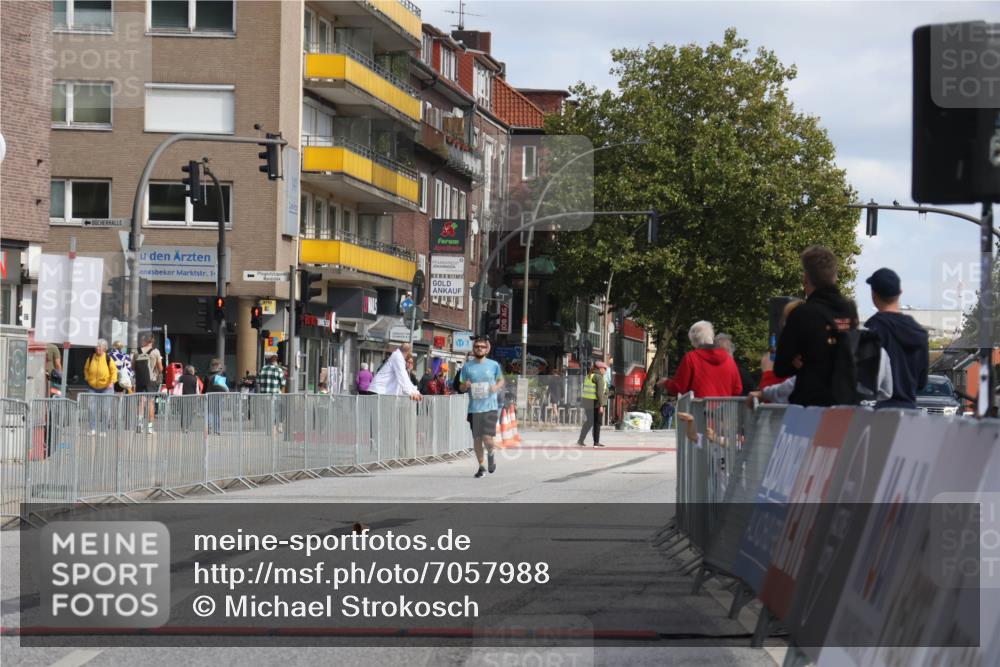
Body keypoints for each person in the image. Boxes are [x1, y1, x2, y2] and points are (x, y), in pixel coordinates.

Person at [773, 246, 860, 407]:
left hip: (811, 405)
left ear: (806, 278)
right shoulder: (849, 309)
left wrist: (795, 361)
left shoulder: (802, 314)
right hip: (845, 404)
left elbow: (781, 367)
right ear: (835, 276)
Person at [864, 268, 929, 409]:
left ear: (873, 295)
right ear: (900, 293)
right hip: (910, 412)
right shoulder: (919, 332)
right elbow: (921, 382)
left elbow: (866, 378)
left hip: (881, 413)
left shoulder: (873, 328)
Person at [659, 321, 743, 398]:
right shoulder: (729, 359)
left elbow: (679, 388)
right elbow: (737, 389)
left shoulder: (691, 358)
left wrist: (666, 383)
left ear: (693, 341)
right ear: (712, 337)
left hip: (698, 412)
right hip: (725, 412)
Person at [459, 337, 504, 477]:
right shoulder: (467, 366)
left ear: (486, 349)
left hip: (490, 407)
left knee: (487, 439)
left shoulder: (493, 365)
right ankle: (481, 466)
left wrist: (495, 387)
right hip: (474, 408)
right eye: (477, 346)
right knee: (477, 439)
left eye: (482, 347)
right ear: (473, 349)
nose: (479, 348)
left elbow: (501, 380)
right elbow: (460, 387)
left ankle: (491, 453)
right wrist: (464, 386)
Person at [83, 339, 117, 434]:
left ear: (104, 348)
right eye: (97, 346)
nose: (97, 348)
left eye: (100, 346)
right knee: (91, 408)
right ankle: (92, 429)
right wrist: (87, 378)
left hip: (107, 388)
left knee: (106, 409)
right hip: (93, 387)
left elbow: (114, 371)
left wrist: (112, 382)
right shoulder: (90, 357)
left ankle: (104, 430)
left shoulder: (108, 358)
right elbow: (86, 369)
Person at [132, 333, 164, 434]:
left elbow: (132, 367)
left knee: (141, 402)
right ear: (152, 340)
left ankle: (139, 426)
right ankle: (150, 428)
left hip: (140, 380)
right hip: (151, 380)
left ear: (143, 340)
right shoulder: (155, 352)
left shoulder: (136, 351)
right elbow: (160, 368)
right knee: (151, 403)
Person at [577, 361, 609, 446]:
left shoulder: (589, 376)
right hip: (595, 402)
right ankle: (596, 442)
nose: (605, 371)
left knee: (590, 421)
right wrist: (601, 405)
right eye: (604, 369)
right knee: (597, 422)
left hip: (587, 401)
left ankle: (580, 440)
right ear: (600, 369)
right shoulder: (599, 377)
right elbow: (599, 393)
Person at [178, 365, 201, 432]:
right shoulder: (195, 378)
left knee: (183, 412)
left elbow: (177, 385)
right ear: (192, 371)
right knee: (190, 413)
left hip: (183, 397)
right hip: (192, 398)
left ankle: (183, 426)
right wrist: (198, 398)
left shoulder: (181, 377)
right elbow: (197, 390)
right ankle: (187, 427)